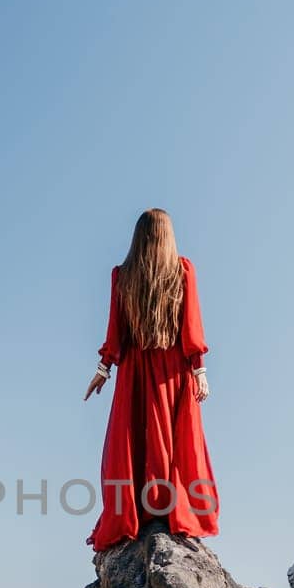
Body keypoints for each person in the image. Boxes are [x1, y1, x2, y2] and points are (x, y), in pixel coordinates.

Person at [84, 208, 219, 551]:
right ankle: (171, 508)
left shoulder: (122, 275)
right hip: (173, 369)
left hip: (134, 370)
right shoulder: (183, 271)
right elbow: (192, 326)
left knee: (133, 440)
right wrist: (199, 370)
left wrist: (104, 370)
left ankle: (140, 510)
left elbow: (116, 333)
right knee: (174, 442)